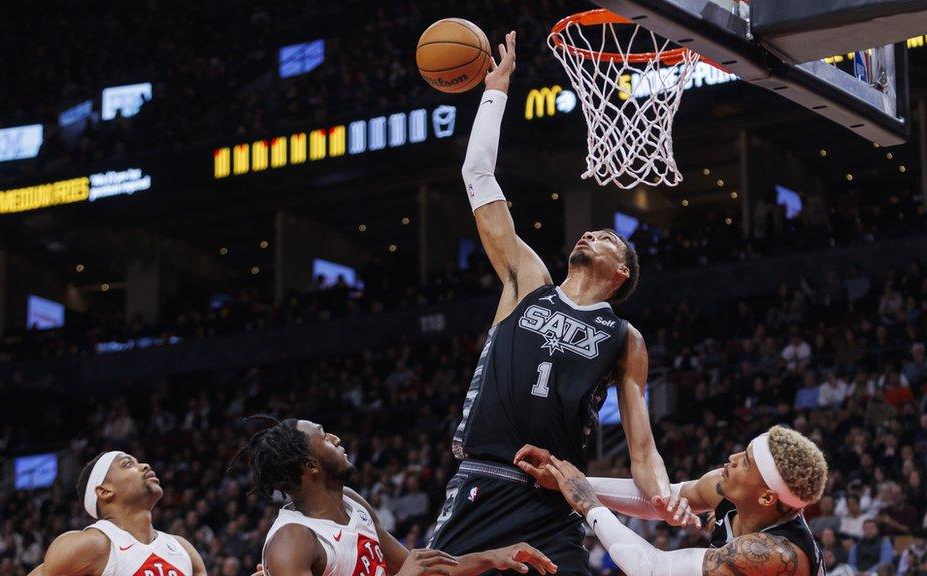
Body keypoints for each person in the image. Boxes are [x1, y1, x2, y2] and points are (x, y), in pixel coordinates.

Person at [433, 29, 692, 576]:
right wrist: (495, 91)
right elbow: (476, 176)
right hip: (484, 479)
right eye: (589, 232)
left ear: (620, 272)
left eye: (605, 238)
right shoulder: (527, 283)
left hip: (553, 500)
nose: (588, 235)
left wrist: (664, 495)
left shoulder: (625, 339)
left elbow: (641, 450)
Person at [239, 417, 558, 576]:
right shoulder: (292, 541)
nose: (335, 438)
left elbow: (418, 567)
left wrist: (492, 556)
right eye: (323, 436)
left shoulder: (351, 502)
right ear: (310, 466)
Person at [516, 425, 827, 576]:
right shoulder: (727, 488)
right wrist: (564, 478)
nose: (732, 459)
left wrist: (587, 502)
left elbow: (652, 569)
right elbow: (658, 498)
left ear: (766, 496)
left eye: (745, 461)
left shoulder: (774, 553)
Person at [26, 451, 207, 576]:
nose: (145, 465)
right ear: (105, 491)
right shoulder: (91, 545)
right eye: (128, 464)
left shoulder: (184, 550)